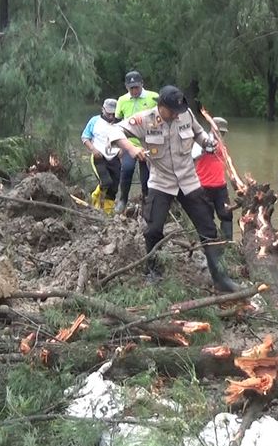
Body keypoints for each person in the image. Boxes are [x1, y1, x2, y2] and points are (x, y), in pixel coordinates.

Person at [111, 85, 240, 292]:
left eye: (178, 111)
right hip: (161, 182)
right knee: (153, 229)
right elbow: (115, 130)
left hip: (188, 180)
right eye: (171, 111)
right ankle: (154, 273)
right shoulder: (144, 119)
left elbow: (198, 133)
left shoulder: (185, 114)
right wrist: (131, 148)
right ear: (161, 106)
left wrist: (207, 143)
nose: (175, 115)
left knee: (208, 228)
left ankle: (220, 278)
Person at [114, 70, 159, 213]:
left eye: (136, 87)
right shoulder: (122, 100)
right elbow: (116, 123)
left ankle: (147, 201)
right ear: (126, 87)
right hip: (130, 143)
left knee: (147, 175)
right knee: (126, 169)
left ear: (142, 85)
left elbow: (161, 118)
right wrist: (119, 146)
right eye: (131, 88)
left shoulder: (153, 97)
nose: (134, 91)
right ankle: (123, 199)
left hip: (149, 143)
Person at [191, 117, 233, 240]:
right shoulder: (202, 141)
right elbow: (193, 156)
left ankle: (228, 242)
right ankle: (209, 243)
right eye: (220, 131)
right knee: (206, 217)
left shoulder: (222, 144)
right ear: (213, 128)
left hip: (221, 186)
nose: (222, 134)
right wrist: (205, 149)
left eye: (223, 132)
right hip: (204, 186)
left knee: (226, 214)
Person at [81, 98, 121, 214]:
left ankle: (108, 212)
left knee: (113, 187)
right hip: (99, 157)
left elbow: (126, 139)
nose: (111, 116)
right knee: (106, 182)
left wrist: (122, 150)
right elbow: (85, 137)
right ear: (103, 110)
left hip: (115, 158)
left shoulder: (119, 123)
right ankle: (95, 199)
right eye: (109, 113)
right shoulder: (94, 121)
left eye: (113, 114)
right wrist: (93, 149)